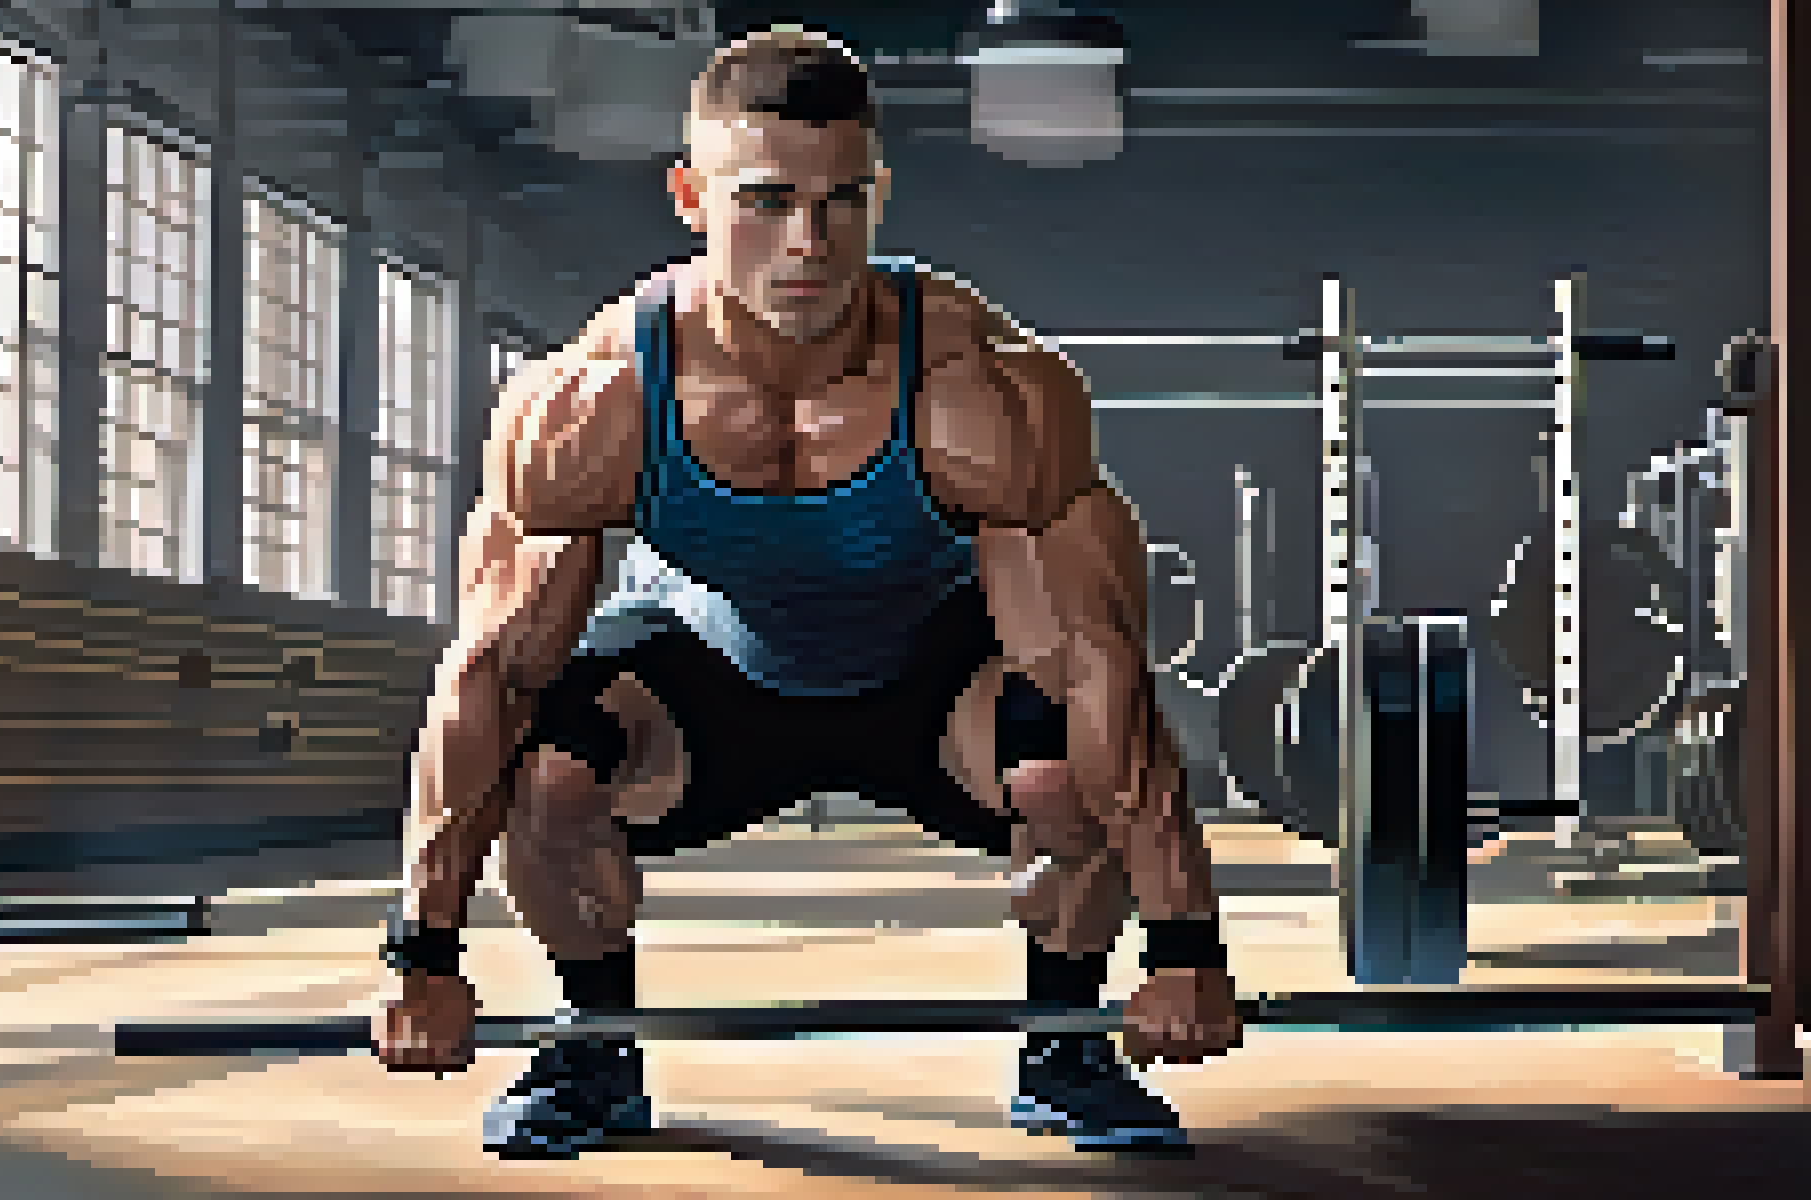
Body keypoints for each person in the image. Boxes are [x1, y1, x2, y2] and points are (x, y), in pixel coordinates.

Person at [375, 27, 1244, 1159]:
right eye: (767, 199)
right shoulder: (592, 402)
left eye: (841, 202)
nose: (809, 241)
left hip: (930, 676)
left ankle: (1065, 1044)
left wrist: (1186, 947)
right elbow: (489, 670)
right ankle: (594, 1045)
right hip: (713, 673)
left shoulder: (981, 389)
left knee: (1066, 764)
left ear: (878, 195)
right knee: (550, 770)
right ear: (690, 195)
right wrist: (422, 955)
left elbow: (1097, 662)